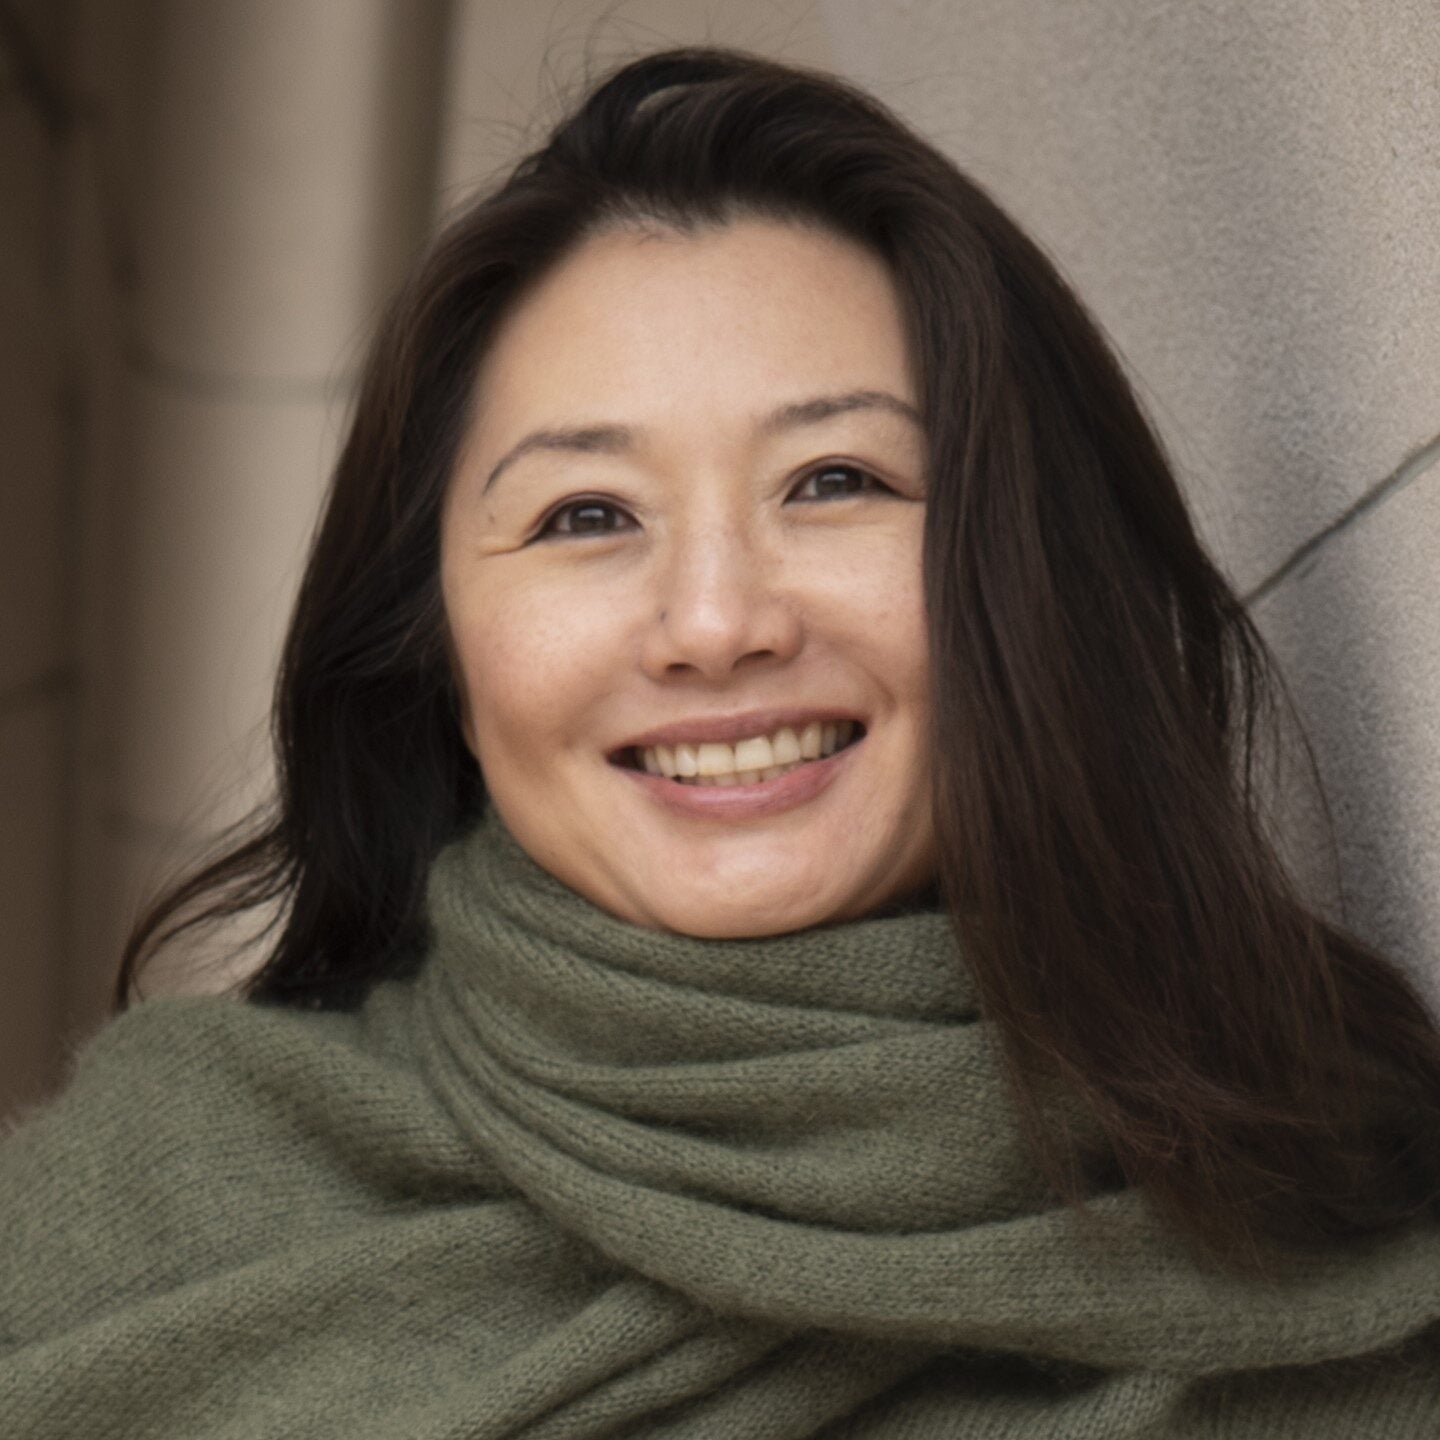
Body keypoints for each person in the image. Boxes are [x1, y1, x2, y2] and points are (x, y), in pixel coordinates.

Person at [4, 45, 1439, 1438]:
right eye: (585, 515)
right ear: (436, 649)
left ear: (1034, 576)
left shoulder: (1340, 1249)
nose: (713, 620)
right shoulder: (147, 1220)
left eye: (834, 481)